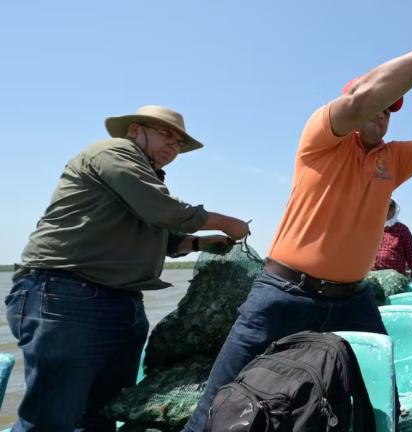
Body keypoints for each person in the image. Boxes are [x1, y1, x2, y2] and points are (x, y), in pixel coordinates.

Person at [184, 1, 412, 429]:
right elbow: (359, 100)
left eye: (391, 109)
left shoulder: (393, 160)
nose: (384, 112)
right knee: (215, 404)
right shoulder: (322, 137)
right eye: (381, 101)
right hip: (283, 295)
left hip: (353, 300)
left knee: (378, 405)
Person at [5, 105, 250, 431]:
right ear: (135, 130)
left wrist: (201, 242)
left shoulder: (145, 177)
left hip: (120, 302)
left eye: (178, 143)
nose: (172, 146)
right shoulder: (114, 151)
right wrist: (225, 222)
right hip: (64, 296)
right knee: (51, 419)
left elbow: (161, 237)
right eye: (166, 135)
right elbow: (161, 210)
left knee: (104, 413)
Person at [373, 199, 412, 278]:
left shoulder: (402, 229)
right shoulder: (372, 228)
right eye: (385, 207)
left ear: (394, 210)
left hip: (395, 277)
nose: (387, 211)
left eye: (390, 208)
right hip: (373, 275)